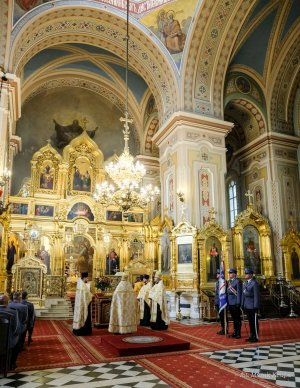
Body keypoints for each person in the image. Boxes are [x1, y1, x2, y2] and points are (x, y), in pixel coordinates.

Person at [0, 293, 21, 370]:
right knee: (18, 339)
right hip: (7, 341)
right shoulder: (13, 312)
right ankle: (11, 363)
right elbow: (17, 329)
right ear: (7, 302)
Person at [241, 268, 260, 343]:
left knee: (254, 322)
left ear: (251, 275)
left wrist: (256, 306)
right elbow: (243, 295)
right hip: (247, 305)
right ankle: (251, 335)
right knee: (250, 322)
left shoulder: (254, 283)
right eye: (245, 273)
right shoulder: (245, 283)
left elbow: (256, 295)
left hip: (252, 305)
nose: (245, 275)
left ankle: (255, 336)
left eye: (247, 274)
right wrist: (242, 304)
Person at [73, 272, 93, 336]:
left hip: (80, 304)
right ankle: (84, 331)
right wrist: (91, 296)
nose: (88, 279)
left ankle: (77, 330)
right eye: (87, 277)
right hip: (84, 304)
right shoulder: (83, 285)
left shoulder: (80, 284)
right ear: (85, 277)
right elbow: (86, 295)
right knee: (84, 316)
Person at [227, 268, 242, 338]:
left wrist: (238, 302)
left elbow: (239, 293)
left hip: (235, 302)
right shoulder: (229, 282)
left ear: (235, 274)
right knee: (234, 319)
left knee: (237, 319)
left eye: (231, 273)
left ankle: (238, 333)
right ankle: (235, 331)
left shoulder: (238, 281)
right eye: (229, 273)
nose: (230, 274)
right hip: (230, 303)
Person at [214, 269, 227, 335]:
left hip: (222, 301)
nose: (217, 274)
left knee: (223, 316)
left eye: (218, 273)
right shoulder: (217, 282)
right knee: (220, 316)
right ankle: (222, 328)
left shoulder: (223, 282)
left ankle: (225, 328)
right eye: (217, 273)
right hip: (217, 301)